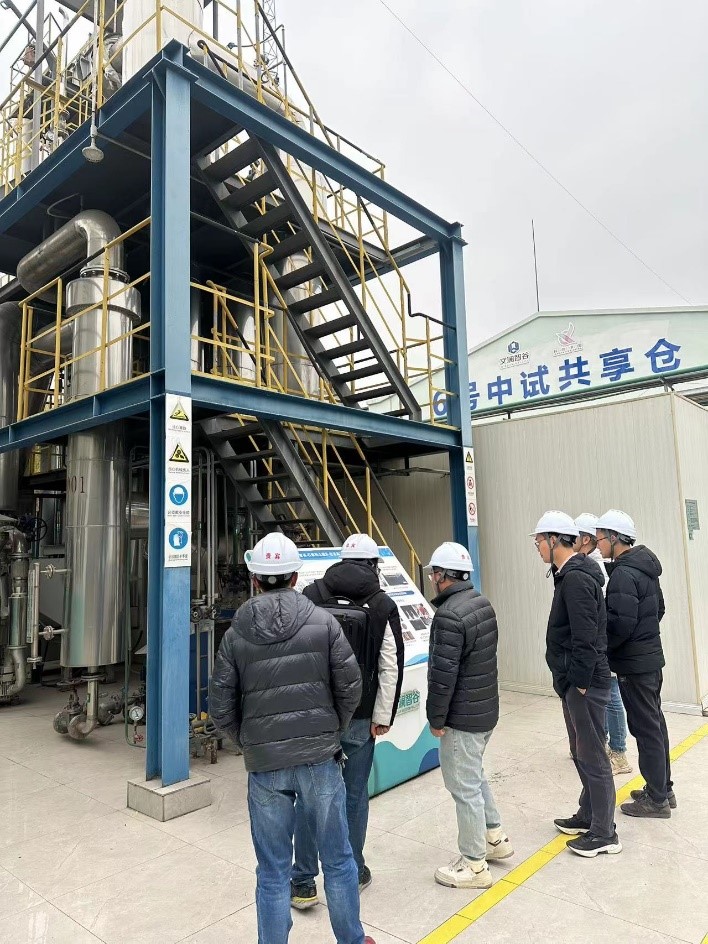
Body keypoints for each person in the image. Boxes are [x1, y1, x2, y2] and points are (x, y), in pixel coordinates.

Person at [209, 533, 376, 944]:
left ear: (254, 579)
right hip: (320, 759)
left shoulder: (235, 634)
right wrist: (332, 730)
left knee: (272, 871)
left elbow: (221, 706)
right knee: (338, 860)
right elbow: (351, 687)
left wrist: (251, 743)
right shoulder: (324, 623)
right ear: (296, 576)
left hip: (265, 767)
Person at [291, 533, 405, 908]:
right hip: (359, 716)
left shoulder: (311, 595)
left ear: (341, 561)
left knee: (309, 796)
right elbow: (390, 664)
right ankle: (353, 872)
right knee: (354, 795)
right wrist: (382, 716)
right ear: (373, 565)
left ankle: (302, 882)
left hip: (315, 716)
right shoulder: (382, 604)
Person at [532, 511, 621, 858]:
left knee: (593, 754)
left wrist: (580, 683)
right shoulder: (568, 576)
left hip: (585, 683)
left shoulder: (576, 580)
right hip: (574, 680)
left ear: (555, 540)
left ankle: (604, 832)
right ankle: (589, 814)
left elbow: (586, 637)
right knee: (581, 751)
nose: (537, 546)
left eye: (539, 540)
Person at [425, 541, 513, 889]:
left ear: (442, 576)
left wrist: (436, 719)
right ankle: (494, 838)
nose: (432, 579)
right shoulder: (481, 603)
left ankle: (474, 865)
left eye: (433, 573)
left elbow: (442, 675)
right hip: (484, 711)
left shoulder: (449, 615)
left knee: (463, 787)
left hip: (461, 718)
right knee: (474, 776)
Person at [595, 510, 674, 818]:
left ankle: (656, 800)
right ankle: (663, 788)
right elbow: (659, 610)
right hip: (651, 658)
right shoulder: (645, 569)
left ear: (615, 538)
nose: (598, 544)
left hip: (634, 664)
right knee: (655, 724)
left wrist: (604, 648)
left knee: (645, 728)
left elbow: (619, 625)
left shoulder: (623, 575)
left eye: (601, 538)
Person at [574, 513, 632, 777]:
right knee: (607, 694)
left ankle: (618, 753)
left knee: (611, 695)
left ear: (585, 540)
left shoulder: (594, 568)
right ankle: (606, 745)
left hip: (603, 643)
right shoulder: (590, 564)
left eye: (574, 536)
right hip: (602, 642)